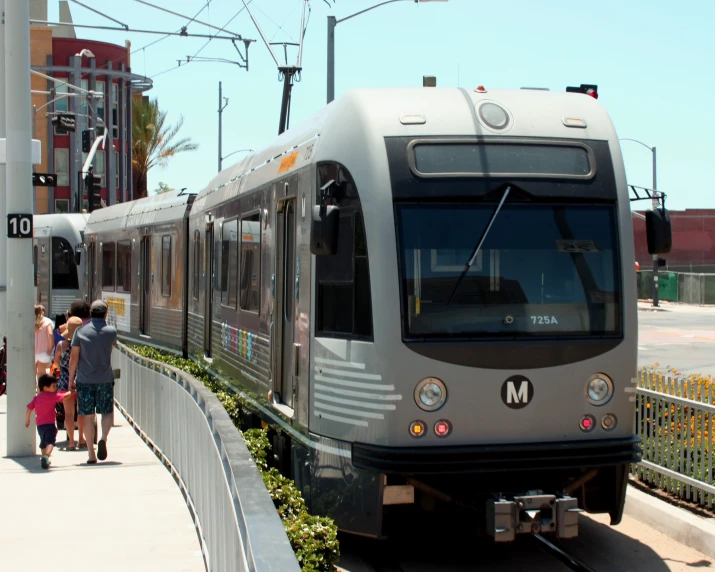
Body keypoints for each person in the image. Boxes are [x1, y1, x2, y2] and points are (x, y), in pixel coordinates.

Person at [69, 300, 117, 464]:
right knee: (107, 413)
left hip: (84, 380)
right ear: (105, 314)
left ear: (90, 313)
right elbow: (110, 349)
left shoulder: (80, 331)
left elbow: (74, 358)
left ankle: (91, 453)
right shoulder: (111, 332)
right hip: (105, 379)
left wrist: (70, 380)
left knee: (88, 417)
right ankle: (103, 437)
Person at [53, 316, 84, 449]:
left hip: (65, 381)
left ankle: (71, 442)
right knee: (82, 412)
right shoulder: (84, 344)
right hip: (82, 379)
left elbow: (56, 363)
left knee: (69, 414)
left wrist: (63, 371)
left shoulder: (61, 345)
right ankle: (81, 438)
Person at [25, 374, 68, 469]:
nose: (55, 388)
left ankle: (44, 459)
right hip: (50, 424)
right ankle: (46, 456)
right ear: (45, 387)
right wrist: (73, 392)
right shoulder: (52, 396)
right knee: (50, 442)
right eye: (53, 386)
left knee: (43, 442)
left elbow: (29, 409)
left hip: (39, 425)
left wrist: (27, 420)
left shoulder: (36, 398)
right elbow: (64, 395)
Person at [34, 305, 54, 379]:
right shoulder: (47, 321)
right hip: (44, 352)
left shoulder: (29, 321)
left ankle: (32, 390)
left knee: (32, 373)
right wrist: (50, 348)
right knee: (41, 374)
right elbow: (50, 334)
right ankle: (39, 390)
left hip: (31, 352)